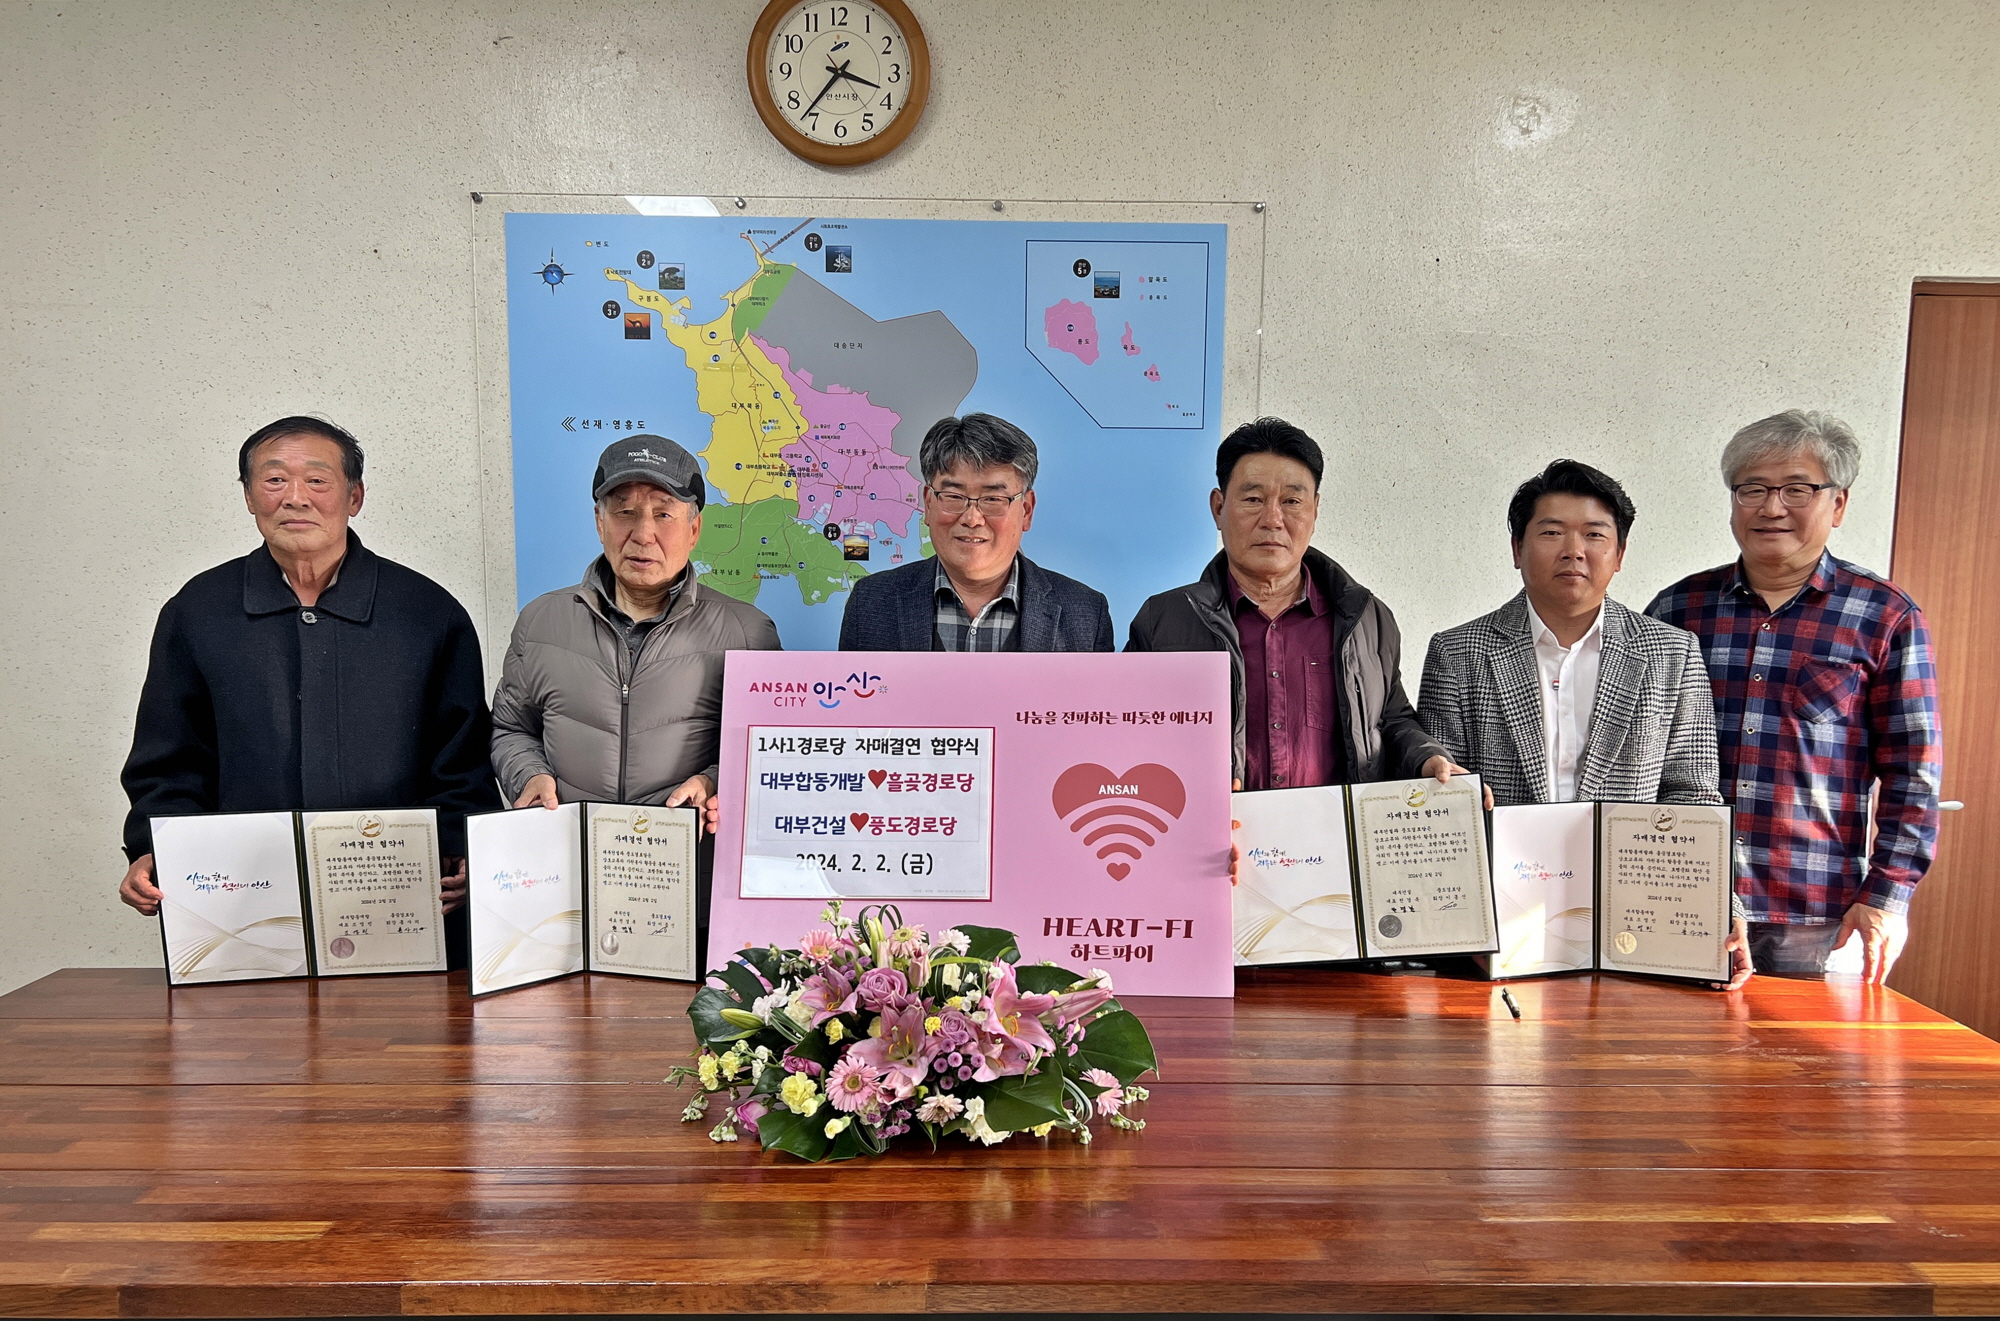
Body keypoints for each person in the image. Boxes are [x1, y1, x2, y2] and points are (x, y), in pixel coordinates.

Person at [118, 416, 499, 961]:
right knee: (249, 1042)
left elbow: (463, 761)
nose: (295, 498)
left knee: (407, 1040)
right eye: (274, 480)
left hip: (397, 899)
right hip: (242, 902)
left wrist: (462, 849)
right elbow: (169, 759)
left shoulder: (426, 613)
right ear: (249, 497)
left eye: (317, 480)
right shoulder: (198, 612)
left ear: (355, 496)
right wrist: (154, 849)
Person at [1420, 459, 1750, 989]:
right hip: (1501, 934)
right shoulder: (1458, 652)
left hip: (1634, 925)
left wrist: (1719, 905)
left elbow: (1692, 796)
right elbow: (1443, 804)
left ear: (1618, 555)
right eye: (1551, 533)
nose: (1574, 550)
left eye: (1594, 535)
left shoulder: (1670, 652)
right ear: (1516, 549)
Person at [1648, 410, 1943, 983]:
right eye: (1752, 489)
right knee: (1668, 1065)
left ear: (1838, 504)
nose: (1772, 507)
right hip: (1679, 893)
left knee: (1803, 1068)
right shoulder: (1678, 611)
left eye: (1797, 489)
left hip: (1812, 911)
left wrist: (1886, 895)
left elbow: (1916, 771)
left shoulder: (1884, 615)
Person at [489, 436, 781, 941]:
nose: (643, 534)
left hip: (692, 897)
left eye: (664, 514)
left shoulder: (747, 632)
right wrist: (527, 776)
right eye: (624, 513)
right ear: (600, 524)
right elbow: (511, 728)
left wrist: (713, 781)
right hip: (567, 889)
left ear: (694, 528)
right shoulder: (542, 621)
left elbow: (770, 756)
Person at [1126, 416, 1458, 792]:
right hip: (1215, 841)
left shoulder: (1366, 617)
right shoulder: (1165, 620)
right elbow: (1127, 734)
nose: (1273, 519)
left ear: (1314, 510)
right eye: (1253, 499)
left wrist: (1427, 757)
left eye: (1292, 501)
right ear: (1218, 507)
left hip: (1335, 841)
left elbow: (1392, 720)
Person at [837, 414, 1114, 652]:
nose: (972, 518)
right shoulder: (872, 602)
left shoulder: (1086, 614)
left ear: (1026, 510)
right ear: (928, 503)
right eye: (954, 496)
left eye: (993, 499)